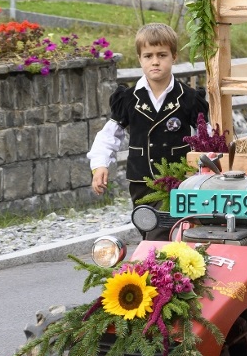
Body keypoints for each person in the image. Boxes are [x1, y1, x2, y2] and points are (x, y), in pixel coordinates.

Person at [87, 23, 209, 216]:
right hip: (142, 183)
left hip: (180, 182)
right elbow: (109, 135)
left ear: (174, 57)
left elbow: (207, 137)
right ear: (139, 59)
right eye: (148, 56)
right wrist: (100, 165)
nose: (155, 62)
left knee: (172, 232)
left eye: (162, 55)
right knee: (148, 228)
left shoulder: (189, 98)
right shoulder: (129, 98)